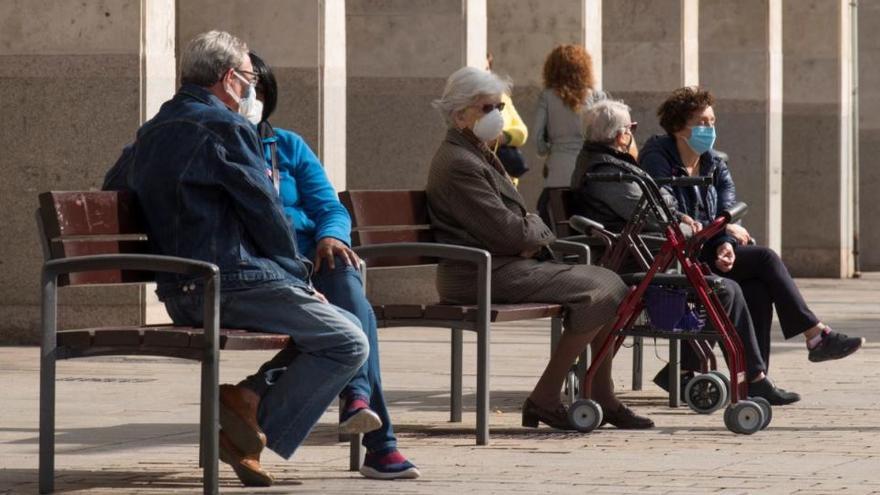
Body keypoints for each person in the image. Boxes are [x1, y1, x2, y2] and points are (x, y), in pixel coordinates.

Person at [103, 31, 369, 487]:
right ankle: (249, 421)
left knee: (321, 333)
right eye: (248, 79)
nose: (251, 90)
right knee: (348, 339)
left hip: (180, 289)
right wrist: (299, 278)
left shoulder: (152, 130)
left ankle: (246, 408)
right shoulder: (227, 127)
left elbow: (112, 190)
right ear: (229, 79)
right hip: (229, 282)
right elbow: (264, 211)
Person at [426, 66, 653, 431]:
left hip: (499, 266)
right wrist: (533, 232)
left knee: (611, 284)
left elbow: (519, 226)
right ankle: (548, 396)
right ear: (459, 114)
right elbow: (511, 233)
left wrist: (530, 232)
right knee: (600, 290)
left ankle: (600, 393)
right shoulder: (459, 162)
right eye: (488, 108)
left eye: (499, 106)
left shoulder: (476, 152)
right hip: (479, 273)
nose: (497, 115)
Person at [247, 52, 418, 480]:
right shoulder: (225, 148)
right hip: (270, 270)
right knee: (356, 320)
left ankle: (360, 406)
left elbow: (330, 206)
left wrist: (331, 236)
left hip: (316, 259)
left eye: (261, 90)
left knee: (344, 272)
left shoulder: (286, 144)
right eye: (247, 89)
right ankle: (378, 441)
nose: (253, 98)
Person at [570, 97, 800, 405]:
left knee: (755, 286)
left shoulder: (616, 165)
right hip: (641, 262)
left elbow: (661, 207)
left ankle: (751, 376)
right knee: (727, 288)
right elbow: (656, 215)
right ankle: (753, 374)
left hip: (657, 255)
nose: (633, 134)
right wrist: (703, 228)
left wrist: (702, 228)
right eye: (631, 128)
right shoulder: (610, 172)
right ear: (620, 134)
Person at [640, 86, 865, 384]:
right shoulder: (658, 155)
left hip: (706, 247)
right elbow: (663, 202)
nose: (709, 129)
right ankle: (814, 336)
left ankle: (755, 379)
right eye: (702, 122)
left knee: (757, 289)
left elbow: (728, 209)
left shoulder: (714, 162)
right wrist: (719, 229)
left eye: (712, 122)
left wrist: (725, 243)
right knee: (766, 258)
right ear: (679, 127)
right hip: (678, 252)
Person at [533, 44, 596, 190]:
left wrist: (548, 150)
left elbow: (537, 137)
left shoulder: (547, 97)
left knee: (556, 210)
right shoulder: (596, 96)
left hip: (557, 170)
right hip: (588, 169)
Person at [486, 52, 529, 183]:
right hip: (488, 176)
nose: (485, 73)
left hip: (508, 177)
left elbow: (523, 131)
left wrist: (504, 137)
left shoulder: (503, 97)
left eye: (487, 69)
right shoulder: (473, 103)